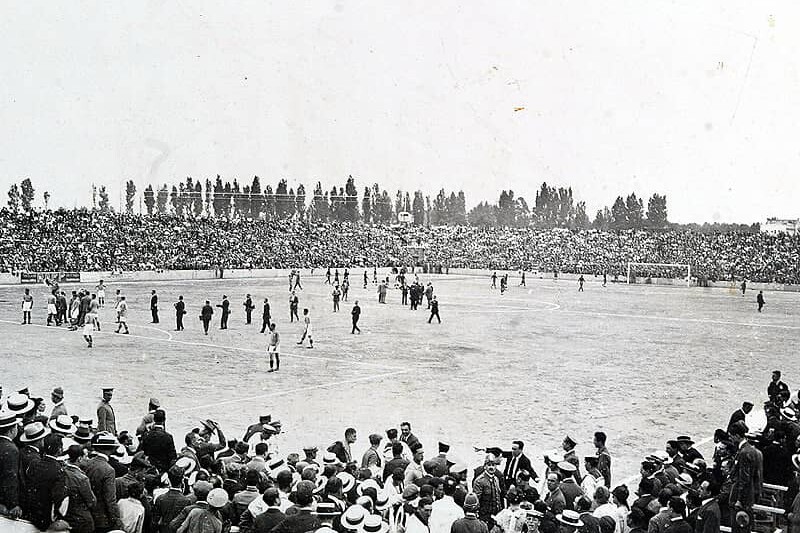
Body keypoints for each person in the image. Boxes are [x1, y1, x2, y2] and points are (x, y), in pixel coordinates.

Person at [728, 421, 762, 532]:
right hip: (748, 495)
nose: (731, 439)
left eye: (731, 436)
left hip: (741, 497)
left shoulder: (743, 452)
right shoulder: (752, 450)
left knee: (738, 526)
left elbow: (744, 478)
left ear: (737, 436)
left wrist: (739, 499)